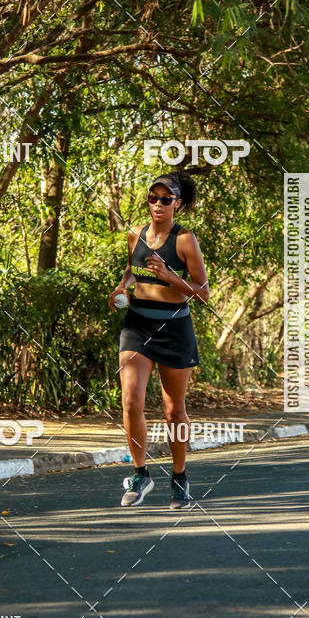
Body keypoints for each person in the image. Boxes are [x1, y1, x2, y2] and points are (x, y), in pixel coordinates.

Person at [109, 170, 209, 509]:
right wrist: (121, 288)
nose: (158, 204)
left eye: (166, 199)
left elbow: (204, 293)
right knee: (131, 401)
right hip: (137, 324)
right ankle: (140, 474)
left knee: (173, 411)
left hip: (174, 328)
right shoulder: (134, 234)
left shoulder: (185, 241)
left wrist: (168, 276)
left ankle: (179, 479)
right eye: (153, 198)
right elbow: (131, 269)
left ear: (177, 204)